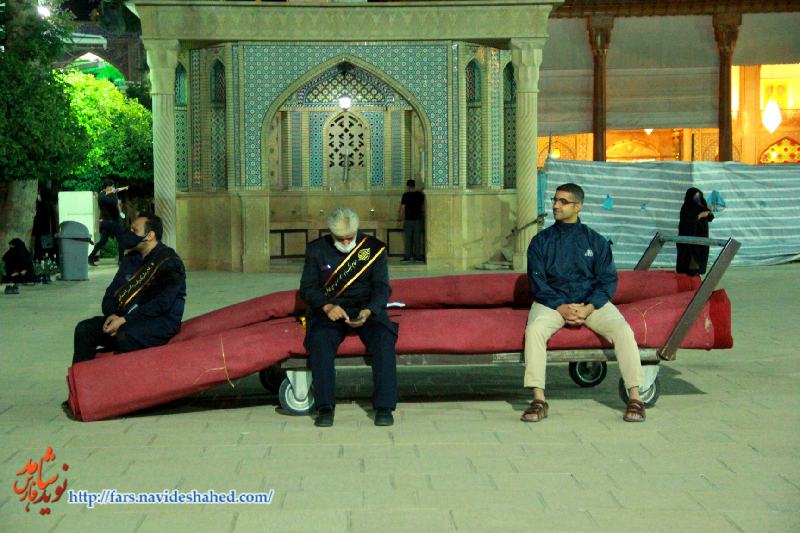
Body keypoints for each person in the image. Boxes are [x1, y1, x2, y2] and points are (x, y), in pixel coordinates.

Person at [521, 183, 646, 423]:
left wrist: (589, 307)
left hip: (590, 304)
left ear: (578, 206)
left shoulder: (596, 241)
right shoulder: (541, 241)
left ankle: (635, 397)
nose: (556, 205)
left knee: (623, 330)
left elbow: (608, 280)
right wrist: (560, 306)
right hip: (552, 303)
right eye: (555, 200)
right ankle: (538, 399)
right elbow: (537, 281)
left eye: (563, 201)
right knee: (535, 330)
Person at [299, 208, 398, 427]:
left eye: (349, 238)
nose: (345, 242)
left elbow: (382, 287)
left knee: (384, 338)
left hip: (366, 308)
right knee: (320, 340)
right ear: (331, 233)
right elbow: (307, 288)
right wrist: (326, 306)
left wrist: (370, 310)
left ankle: (384, 407)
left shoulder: (372, 249)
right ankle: (325, 407)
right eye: (340, 238)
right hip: (331, 310)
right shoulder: (317, 249)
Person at [72, 212, 186, 365]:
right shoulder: (131, 259)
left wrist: (124, 320)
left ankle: (123, 377)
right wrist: (112, 314)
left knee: (124, 335)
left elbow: (161, 303)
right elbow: (112, 291)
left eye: (135, 230)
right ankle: (83, 377)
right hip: (124, 318)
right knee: (85, 329)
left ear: (150, 235)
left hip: (160, 321)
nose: (129, 234)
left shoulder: (169, 262)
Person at [88, 178, 129, 266]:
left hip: (106, 222)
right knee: (121, 240)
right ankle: (121, 261)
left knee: (103, 241)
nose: (112, 188)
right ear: (106, 187)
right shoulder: (103, 197)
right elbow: (114, 202)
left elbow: (116, 190)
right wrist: (115, 195)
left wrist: (124, 188)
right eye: (111, 186)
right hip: (113, 222)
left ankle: (91, 257)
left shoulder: (102, 194)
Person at [676, 187, 714, 276]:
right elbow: (687, 223)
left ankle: (695, 279)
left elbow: (709, 218)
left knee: (699, 260)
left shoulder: (701, 205)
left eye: (699, 196)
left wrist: (709, 212)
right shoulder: (687, 207)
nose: (697, 198)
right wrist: (700, 216)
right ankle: (689, 279)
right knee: (691, 261)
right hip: (691, 238)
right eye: (695, 196)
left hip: (701, 238)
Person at [398, 179, 425, 262]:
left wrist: (400, 218)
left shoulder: (405, 195)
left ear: (408, 186)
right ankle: (418, 257)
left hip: (408, 220)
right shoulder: (419, 195)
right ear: (414, 185)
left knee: (408, 239)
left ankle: (407, 257)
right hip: (418, 220)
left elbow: (402, 208)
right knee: (417, 239)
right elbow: (423, 206)